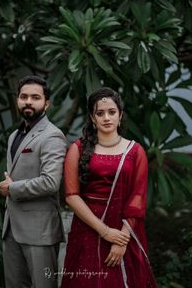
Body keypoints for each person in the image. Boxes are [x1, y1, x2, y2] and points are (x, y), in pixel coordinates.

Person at [61, 88, 157, 288]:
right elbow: (71, 195)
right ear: (92, 118)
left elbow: (137, 198)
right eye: (100, 113)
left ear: (120, 115)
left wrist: (121, 240)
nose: (106, 117)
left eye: (111, 112)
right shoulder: (77, 149)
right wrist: (104, 231)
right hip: (87, 228)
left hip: (124, 230)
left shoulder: (136, 151)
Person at [0, 75, 67, 288]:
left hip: (40, 231)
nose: (28, 101)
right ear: (17, 100)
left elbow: (50, 182)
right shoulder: (14, 136)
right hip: (11, 228)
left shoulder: (52, 136)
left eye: (35, 97)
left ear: (46, 103)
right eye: (23, 96)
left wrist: (12, 188)